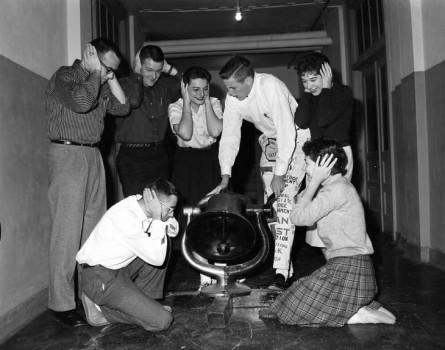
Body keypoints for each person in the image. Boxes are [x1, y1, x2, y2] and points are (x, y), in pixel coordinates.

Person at [259, 138, 396, 327]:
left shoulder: (336, 190)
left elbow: (298, 218)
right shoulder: (337, 187)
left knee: (291, 309)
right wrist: (308, 186)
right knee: (292, 294)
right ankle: (357, 307)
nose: (305, 169)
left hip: (350, 268)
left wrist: (314, 182)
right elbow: (300, 200)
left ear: (322, 165)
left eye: (307, 163)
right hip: (351, 268)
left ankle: (352, 314)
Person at [46, 38, 129, 326]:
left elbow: (123, 106)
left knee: (93, 235)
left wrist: (109, 74)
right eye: (108, 68)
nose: (109, 75)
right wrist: (96, 72)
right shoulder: (65, 76)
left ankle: (88, 298)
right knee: (67, 231)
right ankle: (60, 303)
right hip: (67, 154)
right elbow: (81, 103)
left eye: (112, 71)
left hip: (94, 157)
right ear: (90, 55)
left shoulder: (103, 81)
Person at [209, 56, 311, 289]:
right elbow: (230, 136)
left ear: (248, 81)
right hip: (271, 143)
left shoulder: (270, 86)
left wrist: (280, 173)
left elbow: (287, 130)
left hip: (296, 140)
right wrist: (225, 175)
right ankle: (286, 268)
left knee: (284, 202)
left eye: (233, 87)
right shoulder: (234, 98)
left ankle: (281, 273)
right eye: (228, 88)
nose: (230, 93)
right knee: (273, 210)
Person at [76, 178, 179, 330]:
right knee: (162, 320)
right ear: (155, 203)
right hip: (99, 278)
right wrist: (158, 217)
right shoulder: (126, 217)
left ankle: (146, 304)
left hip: (117, 270)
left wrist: (161, 218)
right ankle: (101, 310)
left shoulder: (139, 203)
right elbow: (157, 259)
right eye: (170, 209)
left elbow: (173, 229)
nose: (172, 214)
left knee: (164, 242)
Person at [168, 66, 223, 289]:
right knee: (190, 216)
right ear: (185, 87)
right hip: (186, 163)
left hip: (210, 161)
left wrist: (207, 103)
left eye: (205, 89)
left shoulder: (215, 103)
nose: (200, 95)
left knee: (213, 214)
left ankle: (218, 269)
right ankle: (203, 274)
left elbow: (216, 131)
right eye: (195, 90)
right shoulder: (176, 106)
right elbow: (186, 134)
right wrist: (186, 103)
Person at [116, 45, 181, 197]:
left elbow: (189, 85)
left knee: (161, 205)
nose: (154, 76)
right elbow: (133, 100)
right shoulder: (123, 84)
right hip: (133, 158)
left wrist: (169, 68)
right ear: (139, 66)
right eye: (149, 70)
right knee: (137, 208)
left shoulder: (164, 86)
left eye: (158, 71)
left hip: (160, 155)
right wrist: (137, 74)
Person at [294, 52, 354, 179]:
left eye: (313, 79)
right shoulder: (310, 95)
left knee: (336, 197)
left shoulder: (343, 92)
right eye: (304, 81)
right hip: (315, 154)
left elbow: (323, 119)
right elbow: (300, 121)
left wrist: (326, 88)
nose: (309, 86)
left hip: (338, 154)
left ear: (327, 75)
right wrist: (306, 93)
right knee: (314, 197)